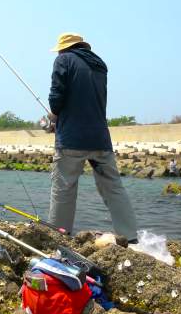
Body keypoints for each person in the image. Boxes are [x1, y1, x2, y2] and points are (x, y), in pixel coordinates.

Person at [44, 32, 139, 242]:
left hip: (71, 140)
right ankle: (130, 237)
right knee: (114, 188)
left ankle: (59, 237)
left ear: (64, 48)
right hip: (100, 139)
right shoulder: (100, 65)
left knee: (64, 189)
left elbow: (56, 100)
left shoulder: (63, 59)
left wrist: (53, 117)